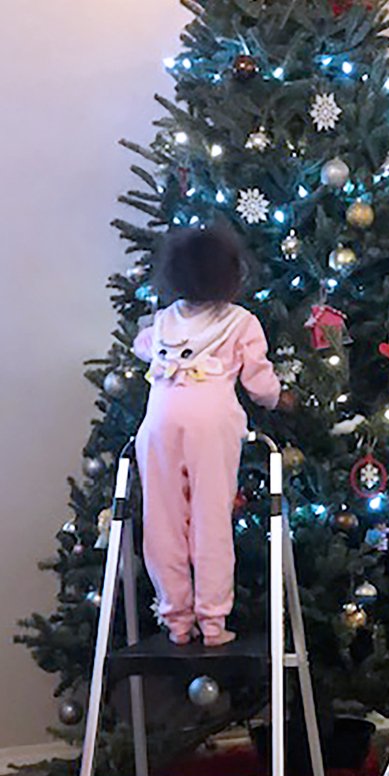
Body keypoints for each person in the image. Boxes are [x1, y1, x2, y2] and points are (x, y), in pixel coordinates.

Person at [133, 224, 282, 647]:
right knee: (209, 520)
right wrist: (276, 398)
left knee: (161, 521)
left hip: (159, 422)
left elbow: (142, 345)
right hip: (212, 423)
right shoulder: (241, 322)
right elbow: (259, 382)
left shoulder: (164, 320)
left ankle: (176, 619)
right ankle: (213, 621)